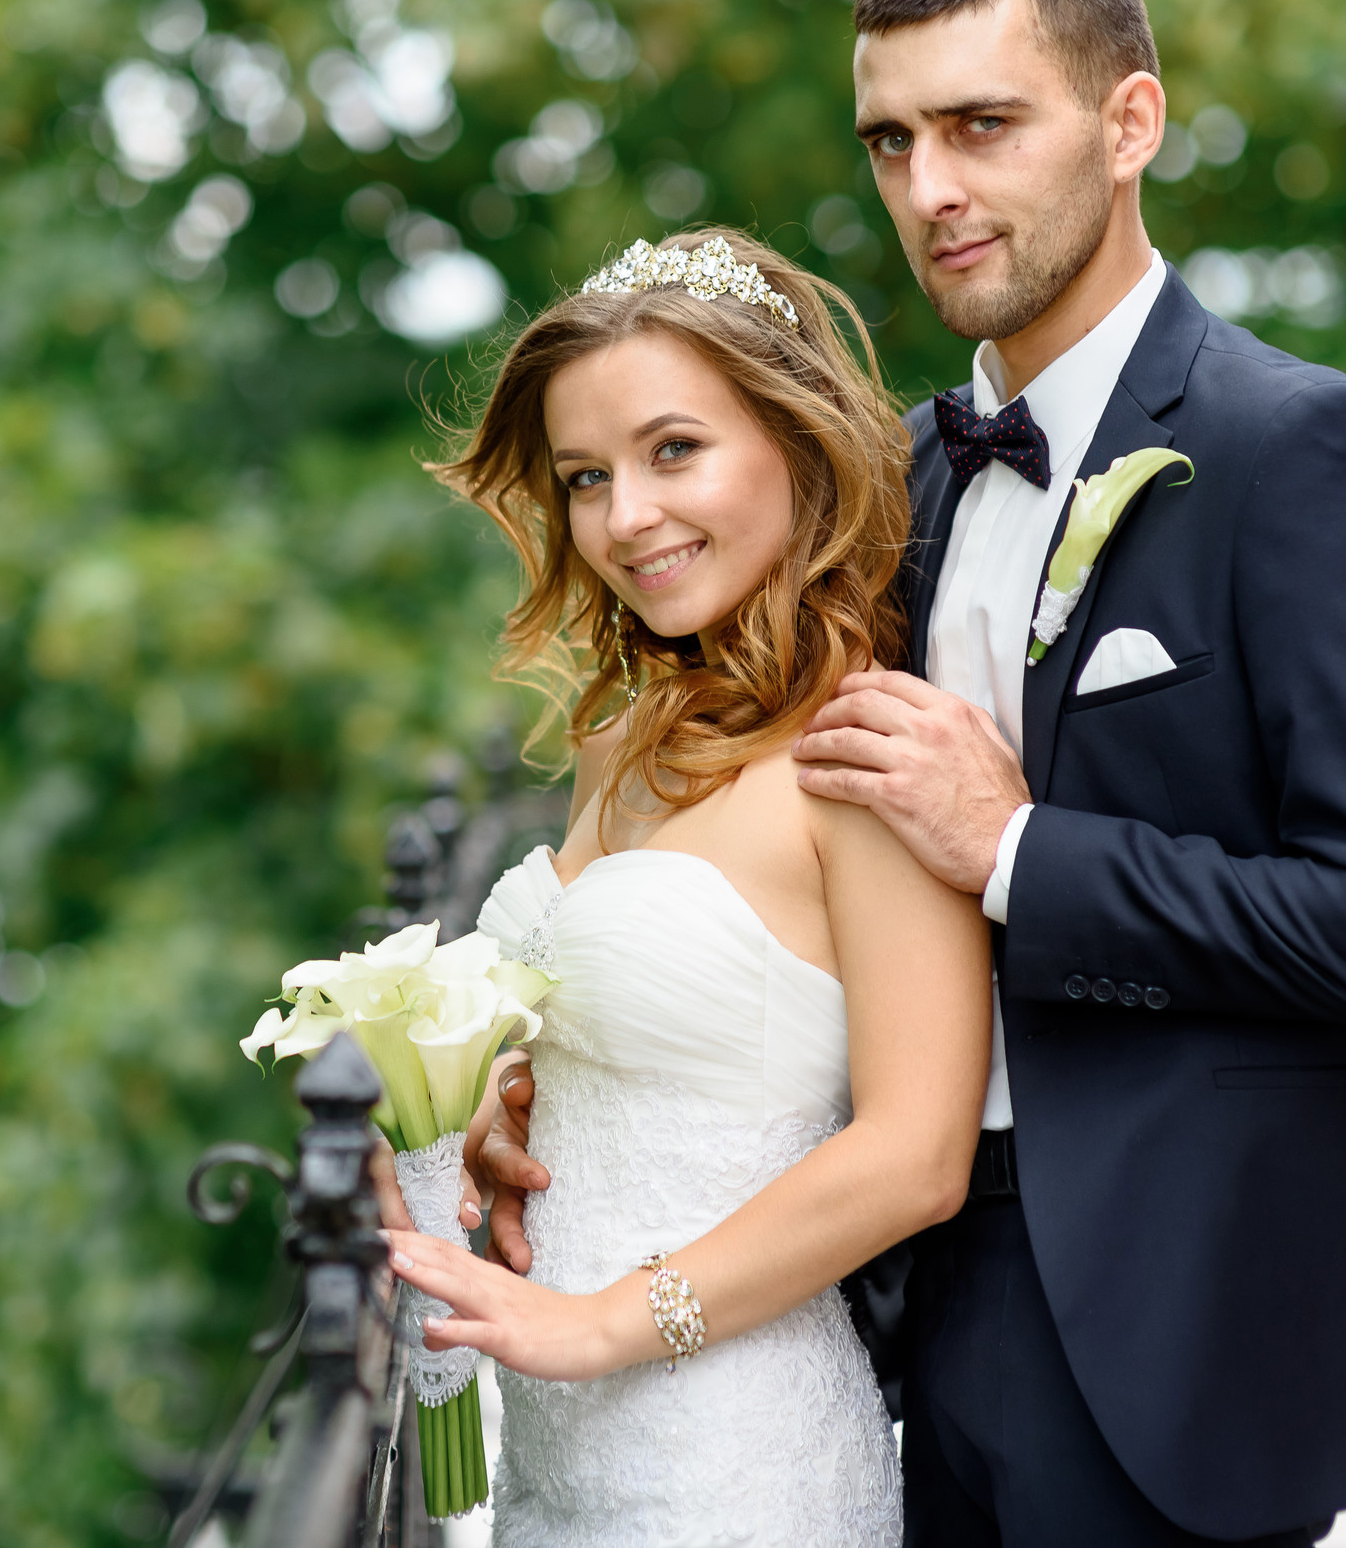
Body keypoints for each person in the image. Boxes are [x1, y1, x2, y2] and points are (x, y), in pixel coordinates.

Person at [474, 0, 1346, 1546]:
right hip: (890, 1310)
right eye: (893, 141)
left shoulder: (1291, 448)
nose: (932, 190)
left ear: (1131, 124)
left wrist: (1023, 851)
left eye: (982, 126)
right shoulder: (878, 488)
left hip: (1174, 1305)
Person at [379, 229, 994, 1545]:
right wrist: (502, 1116)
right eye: (587, 476)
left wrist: (606, 1320)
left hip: (737, 1464)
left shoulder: (864, 751)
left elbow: (914, 1154)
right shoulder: (628, 731)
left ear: (795, 442)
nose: (626, 518)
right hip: (557, 1461)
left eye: (675, 451)